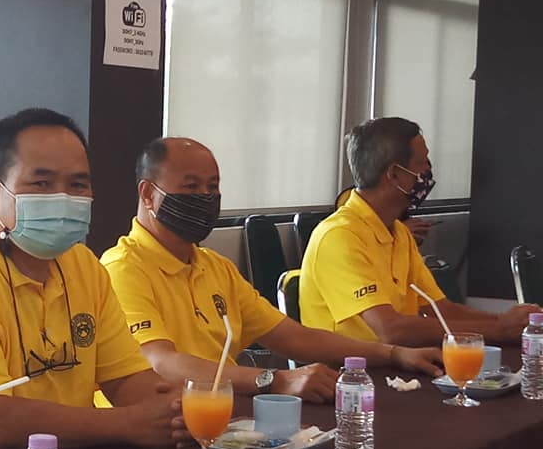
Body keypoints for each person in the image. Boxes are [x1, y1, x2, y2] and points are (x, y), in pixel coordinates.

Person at [0, 108, 185, 449]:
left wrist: (172, 412)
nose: (62, 198)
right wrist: (126, 423)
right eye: (41, 183)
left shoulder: (84, 266)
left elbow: (127, 380)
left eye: (77, 184)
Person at [100, 137, 443, 402]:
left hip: (222, 421)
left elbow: (295, 337)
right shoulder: (123, 269)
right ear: (148, 194)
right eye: (191, 187)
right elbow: (161, 362)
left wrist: (394, 354)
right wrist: (274, 380)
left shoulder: (215, 267)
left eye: (213, 187)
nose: (205, 197)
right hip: (156, 431)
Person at [301, 117, 536, 346]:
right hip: (351, 370)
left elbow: (441, 310)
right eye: (422, 162)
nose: (429, 170)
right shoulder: (339, 236)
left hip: (402, 363)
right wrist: (499, 329)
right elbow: (391, 330)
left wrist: (510, 322)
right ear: (394, 174)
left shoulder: (398, 232)